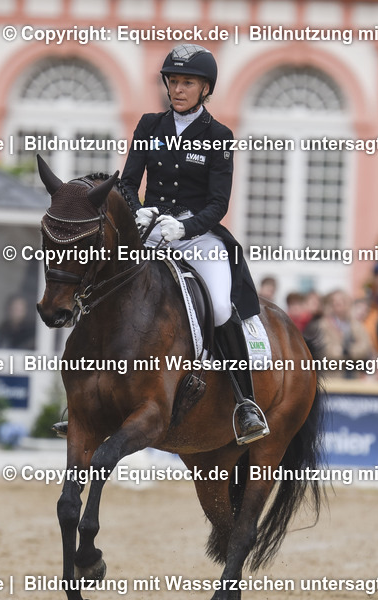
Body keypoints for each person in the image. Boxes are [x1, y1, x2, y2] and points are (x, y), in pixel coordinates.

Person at [120, 43, 266, 444]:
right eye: (173, 81)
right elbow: (128, 182)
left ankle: (245, 403)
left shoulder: (219, 135)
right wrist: (140, 211)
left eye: (187, 82)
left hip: (198, 238)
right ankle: (89, 394)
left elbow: (219, 203)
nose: (177, 89)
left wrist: (185, 229)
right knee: (109, 288)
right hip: (151, 233)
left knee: (220, 307)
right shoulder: (150, 125)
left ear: (205, 89)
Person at [306, 289, 374, 379]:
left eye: (341, 301)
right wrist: (342, 352)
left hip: (353, 375)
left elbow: (365, 346)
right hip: (333, 376)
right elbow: (325, 349)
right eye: (334, 301)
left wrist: (350, 351)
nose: (338, 304)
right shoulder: (323, 325)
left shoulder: (356, 325)